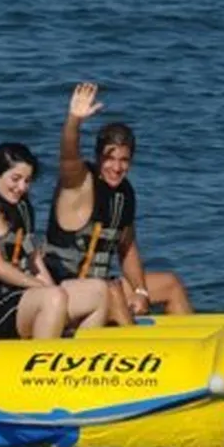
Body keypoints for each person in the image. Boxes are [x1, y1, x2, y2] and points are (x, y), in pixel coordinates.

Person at [42, 83, 193, 324]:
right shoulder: (79, 183)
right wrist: (74, 120)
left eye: (124, 160)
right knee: (112, 292)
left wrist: (141, 291)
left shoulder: (124, 194)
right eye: (109, 158)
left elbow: (127, 247)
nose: (116, 167)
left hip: (102, 286)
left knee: (170, 284)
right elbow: (68, 156)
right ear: (97, 157)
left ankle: (191, 341)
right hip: (63, 291)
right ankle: (133, 343)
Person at [0, 143, 109, 339]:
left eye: (27, 181)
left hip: (18, 297)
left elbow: (35, 263)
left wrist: (50, 287)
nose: (22, 187)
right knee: (52, 297)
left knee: (98, 291)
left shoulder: (21, 209)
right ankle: (45, 353)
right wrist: (40, 287)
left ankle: (83, 352)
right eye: (15, 179)